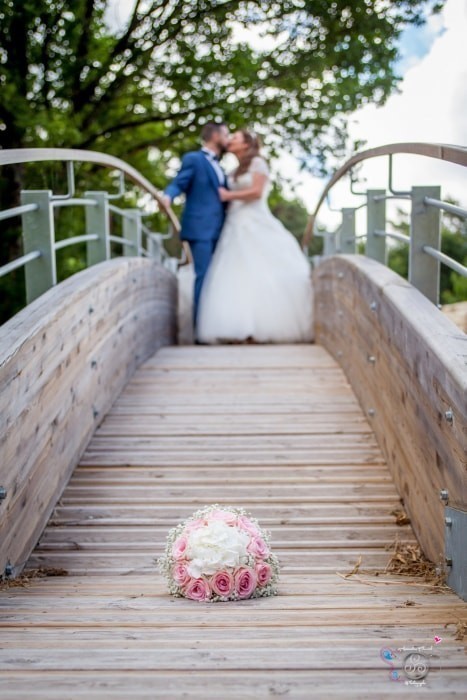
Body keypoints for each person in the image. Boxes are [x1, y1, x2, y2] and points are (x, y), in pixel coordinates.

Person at [196, 129, 313, 344]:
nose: (230, 140)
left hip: (254, 220)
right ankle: (236, 328)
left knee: (259, 270)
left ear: (247, 143)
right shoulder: (231, 171)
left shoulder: (259, 163)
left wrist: (228, 195)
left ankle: (262, 327)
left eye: (235, 138)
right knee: (234, 275)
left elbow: (257, 192)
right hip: (233, 224)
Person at [163, 121, 230, 324]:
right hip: (200, 228)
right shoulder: (194, 159)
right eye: (226, 135)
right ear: (216, 136)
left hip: (221, 230)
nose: (228, 140)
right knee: (203, 275)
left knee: (218, 277)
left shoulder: (219, 166)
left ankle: (216, 324)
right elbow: (179, 182)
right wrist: (168, 196)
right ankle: (200, 328)